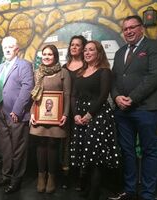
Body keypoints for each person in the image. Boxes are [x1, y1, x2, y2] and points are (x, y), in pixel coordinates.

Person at [109, 15, 157, 200]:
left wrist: (132, 98)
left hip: (146, 109)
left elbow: (154, 76)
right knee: (127, 151)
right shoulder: (120, 52)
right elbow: (113, 79)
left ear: (141, 28)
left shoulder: (153, 47)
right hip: (122, 111)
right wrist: (116, 97)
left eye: (132, 27)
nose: (128, 31)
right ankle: (130, 191)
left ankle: (147, 193)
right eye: (125, 29)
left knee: (149, 151)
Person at [70, 40, 119, 200]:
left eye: (91, 50)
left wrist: (88, 115)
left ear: (99, 53)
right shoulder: (80, 72)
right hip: (80, 117)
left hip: (98, 116)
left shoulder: (104, 71)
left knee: (96, 156)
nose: (87, 52)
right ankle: (89, 186)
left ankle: (94, 192)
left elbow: (104, 95)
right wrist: (76, 114)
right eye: (85, 50)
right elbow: (74, 95)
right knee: (85, 153)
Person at [0, 36, 34, 193]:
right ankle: (6, 176)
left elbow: (27, 88)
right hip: (1, 112)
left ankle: (16, 180)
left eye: (11, 46)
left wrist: (17, 110)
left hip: (16, 113)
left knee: (18, 149)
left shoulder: (24, 65)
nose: (7, 49)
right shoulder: (1, 66)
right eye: (5, 47)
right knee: (5, 147)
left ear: (17, 49)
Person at [30, 44, 71, 193]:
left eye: (50, 54)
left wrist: (65, 114)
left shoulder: (63, 72)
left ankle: (52, 177)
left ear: (55, 56)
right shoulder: (37, 73)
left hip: (57, 117)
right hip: (39, 116)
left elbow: (67, 95)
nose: (46, 57)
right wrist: (32, 114)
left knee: (53, 145)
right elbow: (34, 97)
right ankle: (41, 176)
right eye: (44, 54)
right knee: (41, 144)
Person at [62, 35, 87, 190]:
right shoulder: (64, 67)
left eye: (78, 45)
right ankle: (66, 176)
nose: (74, 47)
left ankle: (81, 177)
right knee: (66, 144)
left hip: (81, 111)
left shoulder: (87, 66)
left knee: (81, 144)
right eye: (72, 44)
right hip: (66, 111)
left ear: (83, 48)